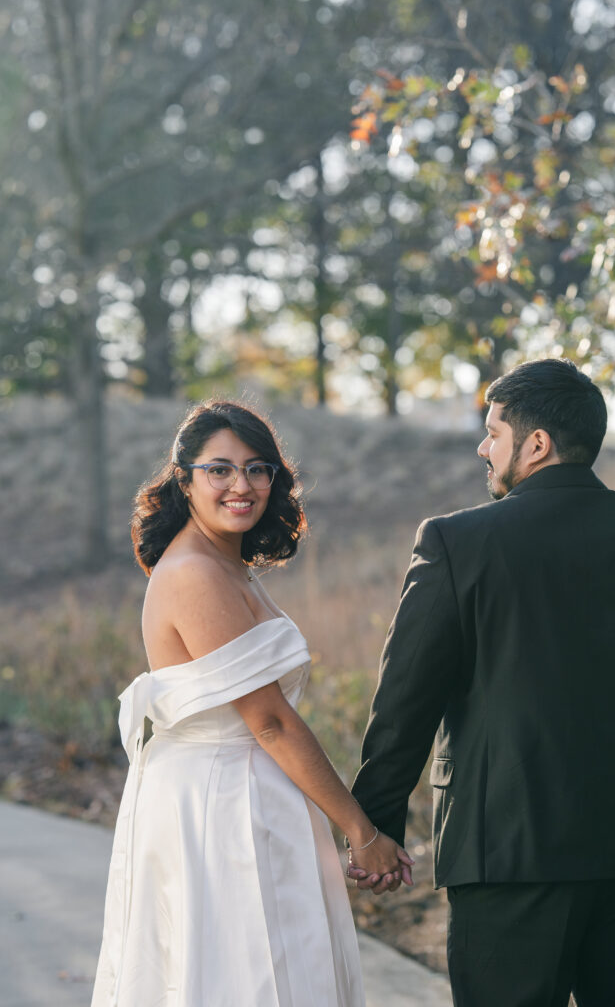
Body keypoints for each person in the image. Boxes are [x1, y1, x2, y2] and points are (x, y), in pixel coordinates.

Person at [349, 359, 615, 1007]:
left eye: (493, 431)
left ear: (535, 444)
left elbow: (405, 700)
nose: (482, 446)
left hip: (505, 852)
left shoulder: (456, 541)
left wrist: (375, 824)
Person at [91, 399, 412, 1007]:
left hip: (252, 795)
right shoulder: (194, 572)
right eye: (220, 469)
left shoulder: (228, 565)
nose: (242, 485)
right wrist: (361, 832)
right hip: (218, 806)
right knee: (243, 977)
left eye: (257, 468)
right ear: (184, 480)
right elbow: (267, 721)